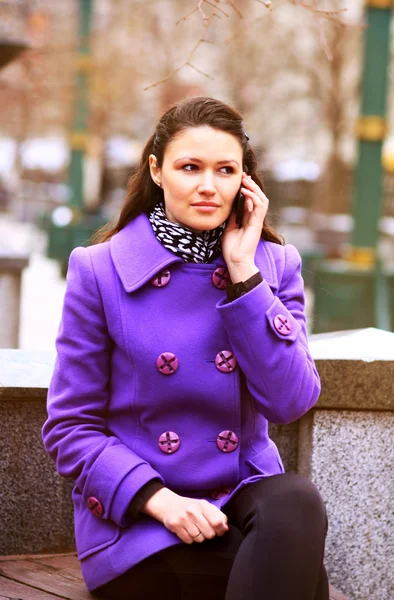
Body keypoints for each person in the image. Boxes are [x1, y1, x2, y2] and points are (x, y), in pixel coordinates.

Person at [42, 96, 328, 600]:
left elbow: (291, 402)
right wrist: (158, 499)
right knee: (303, 581)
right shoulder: (101, 270)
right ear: (156, 170)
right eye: (189, 167)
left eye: (225, 170)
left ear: (245, 180)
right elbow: (70, 426)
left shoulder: (273, 265)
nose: (207, 186)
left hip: (240, 495)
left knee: (298, 500)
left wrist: (244, 278)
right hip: (139, 516)